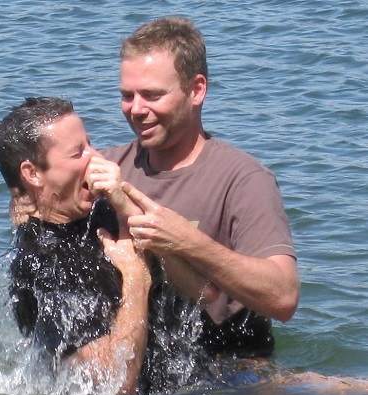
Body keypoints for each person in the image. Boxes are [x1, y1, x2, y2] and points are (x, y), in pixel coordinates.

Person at [98, 16, 299, 358]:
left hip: (228, 372)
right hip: (133, 371)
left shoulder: (243, 179)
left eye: (151, 95)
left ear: (197, 90)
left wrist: (188, 242)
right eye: (126, 96)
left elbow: (283, 298)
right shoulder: (108, 169)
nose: (136, 109)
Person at [0, 97, 151, 395]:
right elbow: (114, 383)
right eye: (79, 152)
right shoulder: (45, 265)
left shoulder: (95, 212)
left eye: (90, 144)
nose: (96, 157)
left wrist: (123, 204)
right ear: (32, 173)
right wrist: (135, 275)